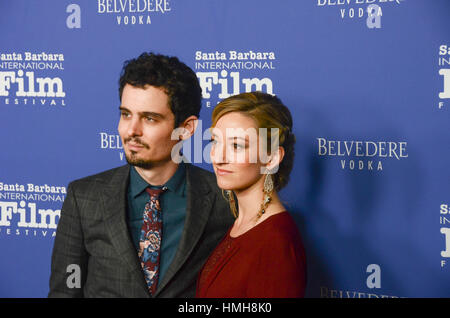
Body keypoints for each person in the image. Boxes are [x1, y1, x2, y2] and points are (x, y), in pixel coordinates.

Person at [48, 52, 234, 298]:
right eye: (126, 114)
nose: (131, 130)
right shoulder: (83, 197)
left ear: (186, 128)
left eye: (149, 118)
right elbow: (64, 293)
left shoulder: (224, 199)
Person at [196, 92, 306, 298]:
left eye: (236, 145)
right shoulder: (241, 223)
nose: (218, 157)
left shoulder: (276, 241)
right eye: (215, 142)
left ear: (271, 157)